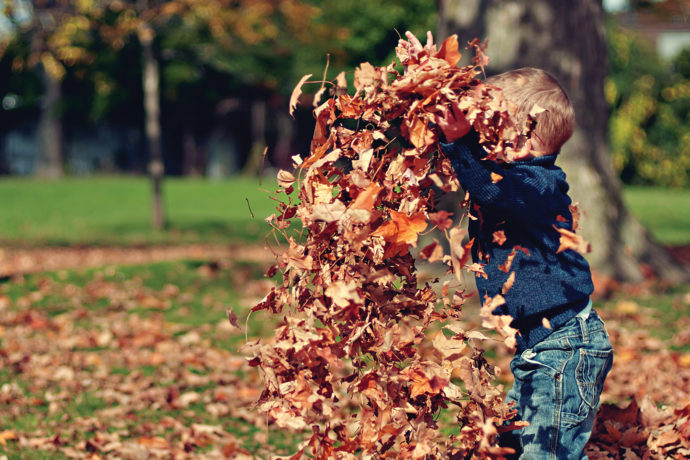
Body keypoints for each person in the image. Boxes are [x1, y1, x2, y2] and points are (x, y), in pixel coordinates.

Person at [400, 32, 614, 459]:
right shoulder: (516, 178)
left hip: (565, 350)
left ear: (525, 139)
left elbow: (492, 189)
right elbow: (479, 173)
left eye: (491, 129)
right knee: (516, 442)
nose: (481, 139)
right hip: (539, 350)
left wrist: (459, 144)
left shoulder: (539, 185)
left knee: (545, 452)